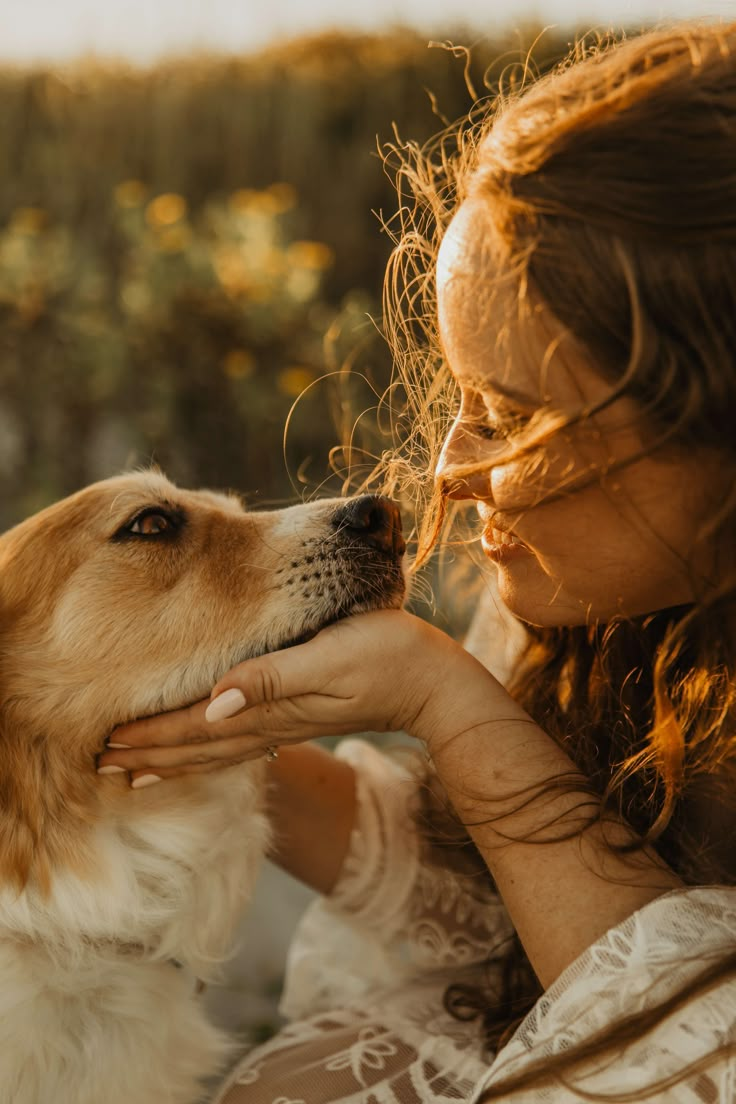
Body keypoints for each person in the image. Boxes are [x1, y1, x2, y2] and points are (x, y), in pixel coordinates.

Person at [96, 19, 736, 1102]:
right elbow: (485, 903)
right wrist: (184, 727)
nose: (450, 468)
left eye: (518, 418)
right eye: (464, 397)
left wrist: (455, 709)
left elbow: (686, 1054)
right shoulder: (591, 595)